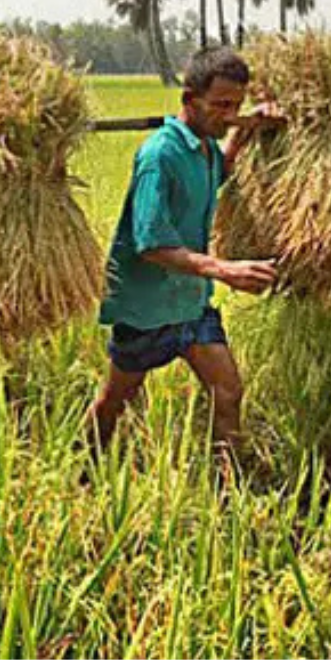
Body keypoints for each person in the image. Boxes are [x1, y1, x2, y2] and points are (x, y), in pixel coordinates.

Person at [88, 47, 279, 465]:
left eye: (237, 106)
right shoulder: (160, 155)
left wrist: (246, 131)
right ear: (190, 100)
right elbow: (151, 242)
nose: (229, 114)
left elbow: (216, 176)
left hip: (191, 304)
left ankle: (228, 490)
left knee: (228, 392)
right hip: (146, 310)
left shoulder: (207, 147)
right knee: (116, 401)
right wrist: (225, 270)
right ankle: (86, 466)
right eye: (220, 106)